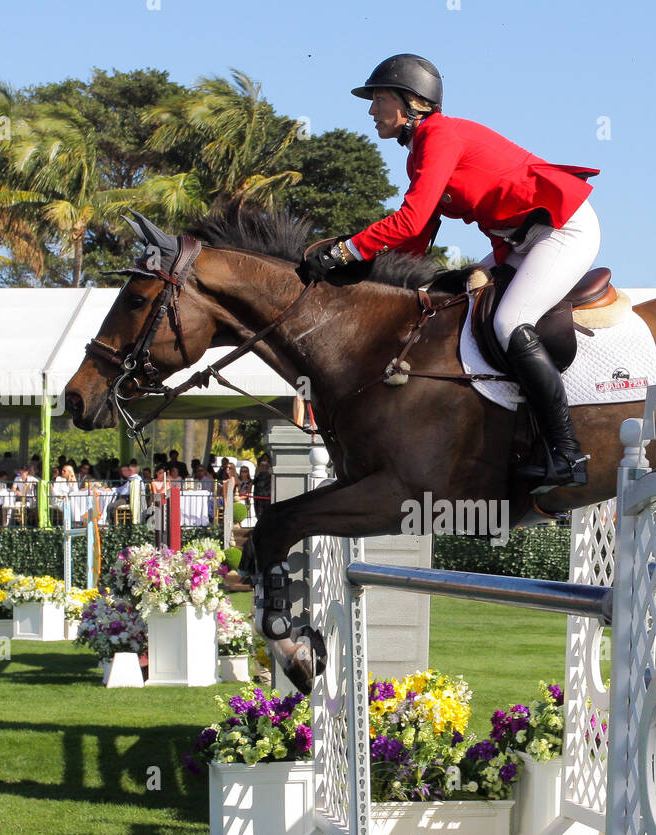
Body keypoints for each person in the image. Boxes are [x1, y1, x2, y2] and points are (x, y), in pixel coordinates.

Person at [302, 54, 601, 490]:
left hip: (563, 227)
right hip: (521, 242)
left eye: (377, 99)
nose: (371, 111)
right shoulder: (421, 149)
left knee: (508, 322)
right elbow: (416, 238)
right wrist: (366, 270)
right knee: (452, 295)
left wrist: (346, 250)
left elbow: (408, 219)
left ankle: (567, 452)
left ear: (410, 102)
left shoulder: (438, 135)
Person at [252, 457, 272, 521]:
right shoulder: (258, 473)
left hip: (268, 498)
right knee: (259, 515)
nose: (264, 467)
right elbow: (254, 483)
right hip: (259, 498)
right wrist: (257, 474)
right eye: (262, 465)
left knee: (268, 515)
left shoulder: (270, 475)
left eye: (265, 465)